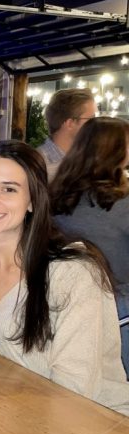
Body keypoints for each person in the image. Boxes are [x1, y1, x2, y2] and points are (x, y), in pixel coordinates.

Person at [0, 139, 129, 416]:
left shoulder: (73, 272)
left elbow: (73, 388)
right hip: (4, 413)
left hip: (89, 425)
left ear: (32, 201)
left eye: (9, 189)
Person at [49, 117, 129, 376]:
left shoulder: (55, 195)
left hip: (63, 304)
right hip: (119, 308)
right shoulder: (123, 203)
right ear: (115, 149)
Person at [36, 88, 96, 181]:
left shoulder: (87, 160)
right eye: (91, 119)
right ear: (70, 123)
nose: (95, 124)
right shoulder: (37, 165)